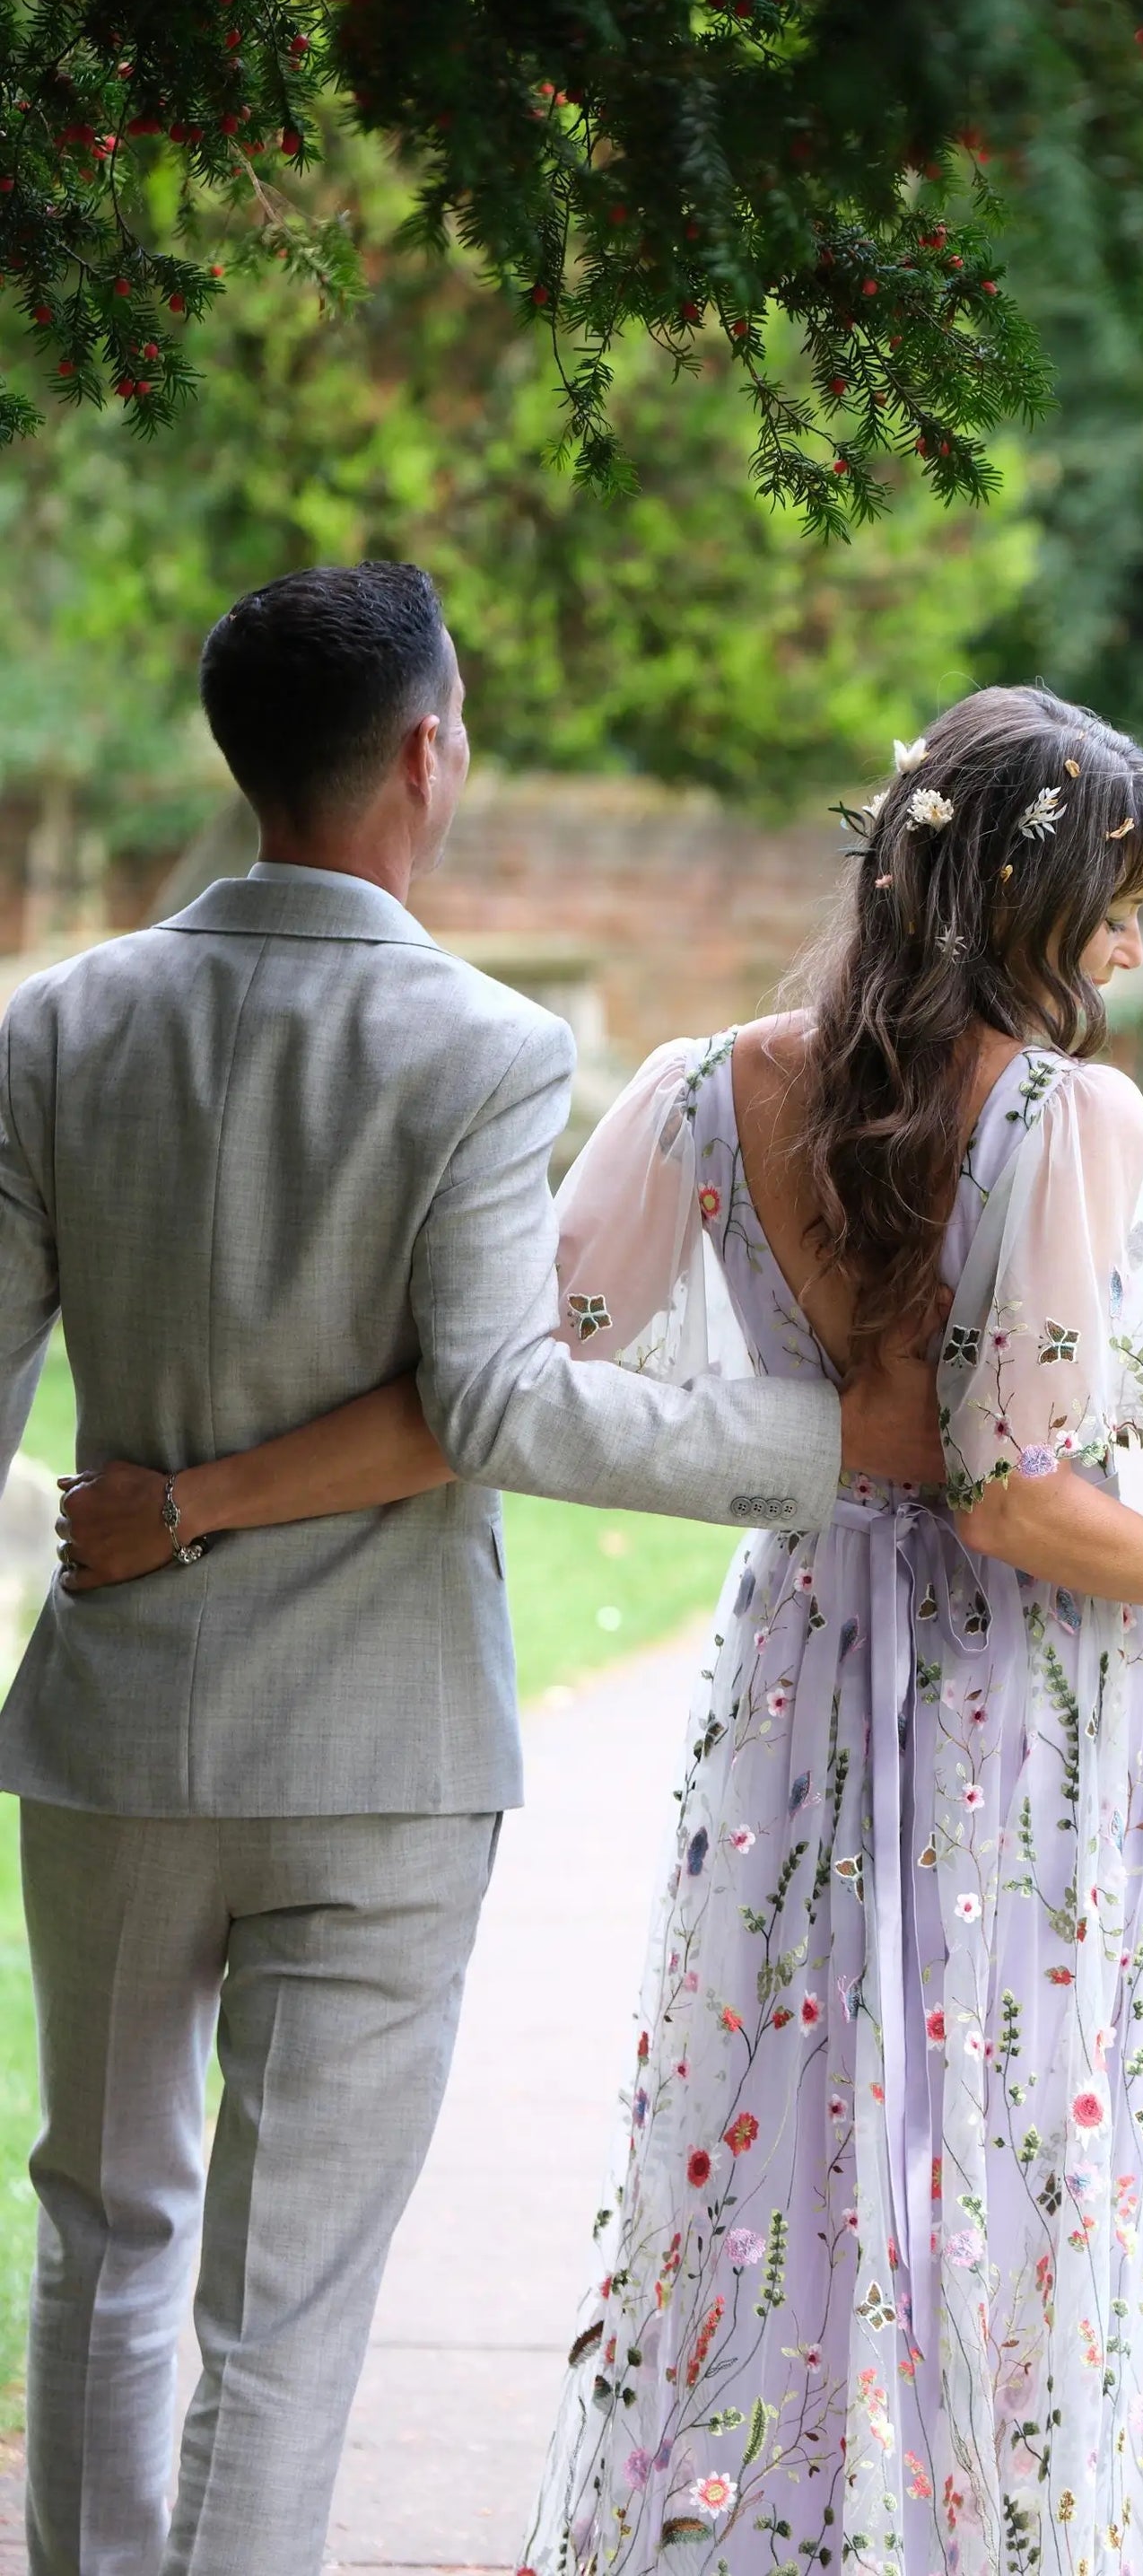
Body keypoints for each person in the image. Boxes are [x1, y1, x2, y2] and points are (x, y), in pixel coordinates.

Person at [61, 684, 1143, 2576]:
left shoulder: (705, 1089)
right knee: (1009, 2129)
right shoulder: (1072, 1112)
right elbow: (1014, 1494)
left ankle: (784, 2524)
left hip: (803, 1663)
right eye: (1110, 909)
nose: (1125, 952)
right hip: (1019, 1699)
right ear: (1018, 905)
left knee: (799, 2115)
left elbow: (489, 1391)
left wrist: (199, 1497)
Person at [6, 562, 941, 2576]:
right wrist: (817, 1441)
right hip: (384, 1748)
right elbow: (502, 1401)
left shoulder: (58, 1021)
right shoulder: (487, 1046)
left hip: (111, 1731)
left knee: (103, 2224)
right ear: (428, 750)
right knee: (285, 2299)